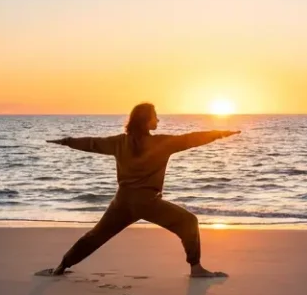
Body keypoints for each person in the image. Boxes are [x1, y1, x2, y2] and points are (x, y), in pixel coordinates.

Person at [38, 103, 239, 278]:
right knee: (189, 222)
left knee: (95, 236)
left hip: (122, 203)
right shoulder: (161, 143)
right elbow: (191, 139)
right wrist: (220, 133)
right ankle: (196, 269)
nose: (158, 120)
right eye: (155, 116)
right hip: (148, 203)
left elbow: (92, 143)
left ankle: (61, 266)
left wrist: (66, 141)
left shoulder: (119, 142)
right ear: (146, 121)